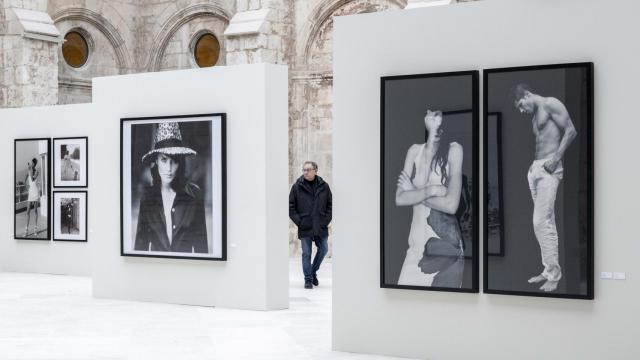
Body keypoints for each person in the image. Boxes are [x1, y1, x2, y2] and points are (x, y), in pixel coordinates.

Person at [512, 83, 577, 292]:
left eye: (521, 105)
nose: (522, 111)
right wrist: (535, 166)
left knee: (540, 222)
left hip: (550, 168)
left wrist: (556, 159)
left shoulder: (550, 104)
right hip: (536, 170)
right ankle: (548, 269)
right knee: (546, 223)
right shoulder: (535, 115)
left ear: (527, 94)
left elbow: (571, 130)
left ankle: (554, 275)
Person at [395, 109, 465, 288]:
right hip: (416, 244)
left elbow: (450, 205)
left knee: (443, 311)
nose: (429, 115)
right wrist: (431, 189)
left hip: (445, 246)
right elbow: (400, 198)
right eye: (428, 113)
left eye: (435, 114)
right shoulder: (414, 151)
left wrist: (415, 192)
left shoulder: (454, 149)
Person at [134, 122, 208, 253]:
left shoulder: (194, 196)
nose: (169, 168)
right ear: (156, 161)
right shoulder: (147, 199)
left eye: (174, 161)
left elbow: (202, 250)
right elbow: (140, 249)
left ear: (180, 162)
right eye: (164, 160)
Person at [289, 161, 332, 289]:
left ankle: (313, 271)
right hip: (305, 225)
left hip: (320, 225)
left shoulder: (324, 186)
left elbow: (331, 205)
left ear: (315, 170)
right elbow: (291, 207)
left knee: (324, 249)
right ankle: (308, 279)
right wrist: (300, 222)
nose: (305, 172)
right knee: (306, 253)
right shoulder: (297, 186)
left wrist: (325, 221)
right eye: (304, 170)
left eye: (308, 169)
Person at [24, 158, 40, 236]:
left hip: (35, 193)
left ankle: (35, 229)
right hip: (31, 192)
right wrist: (26, 187)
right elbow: (25, 180)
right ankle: (26, 231)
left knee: (35, 211)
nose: (31, 164)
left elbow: (33, 179)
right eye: (30, 163)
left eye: (32, 163)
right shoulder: (29, 171)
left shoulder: (37, 172)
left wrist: (29, 170)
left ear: (34, 164)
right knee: (27, 211)